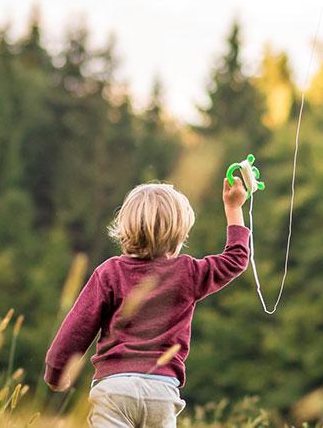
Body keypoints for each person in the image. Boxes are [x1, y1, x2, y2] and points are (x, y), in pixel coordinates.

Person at [44, 179, 252, 428]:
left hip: (114, 389)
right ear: (179, 234)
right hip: (161, 391)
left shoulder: (109, 273)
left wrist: (57, 373)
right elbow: (236, 259)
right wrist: (233, 208)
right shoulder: (187, 272)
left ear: (125, 228)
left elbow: (76, 330)